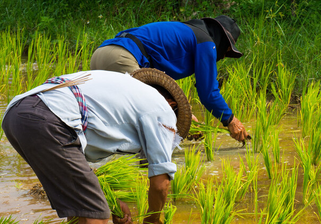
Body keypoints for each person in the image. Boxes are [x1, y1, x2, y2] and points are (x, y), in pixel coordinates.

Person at [2, 69, 191, 224]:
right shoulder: (162, 109)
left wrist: (113, 202)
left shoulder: (123, 93)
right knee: (95, 214)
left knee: (81, 207)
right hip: (50, 119)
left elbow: (84, 173)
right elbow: (161, 185)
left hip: (17, 114)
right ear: (172, 105)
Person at [90, 16, 249, 143]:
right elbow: (208, 93)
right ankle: (150, 171)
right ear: (222, 41)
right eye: (226, 51)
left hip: (101, 54)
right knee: (152, 117)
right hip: (123, 58)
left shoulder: (184, 32)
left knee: (110, 119)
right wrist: (231, 120)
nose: (222, 56)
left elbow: (157, 84)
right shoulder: (207, 42)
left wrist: (183, 116)